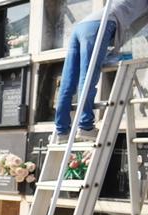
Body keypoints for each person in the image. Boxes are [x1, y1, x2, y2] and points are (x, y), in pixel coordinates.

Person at [53, 0, 148, 144]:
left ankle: (62, 131)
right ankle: (85, 126)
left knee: (68, 81)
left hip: (82, 26)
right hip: (101, 24)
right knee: (88, 76)